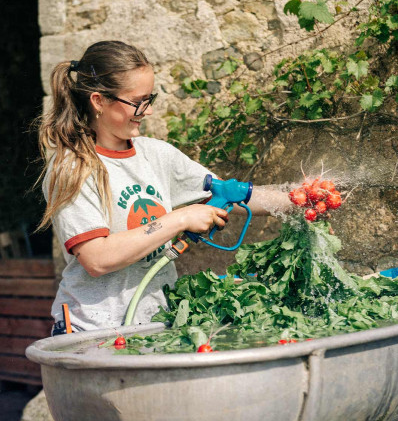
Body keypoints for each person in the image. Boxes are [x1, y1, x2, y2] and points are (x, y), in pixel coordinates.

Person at [36, 40, 293, 334]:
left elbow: (230, 195)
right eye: (138, 101)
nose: (148, 111)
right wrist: (180, 219)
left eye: (150, 98)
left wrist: (298, 199)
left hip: (155, 321)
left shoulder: (156, 155)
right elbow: (97, 258)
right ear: (98, 101)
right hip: (93, 329)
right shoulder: (72, 168)